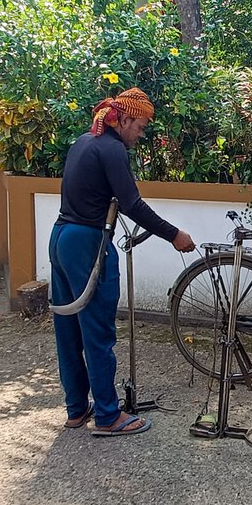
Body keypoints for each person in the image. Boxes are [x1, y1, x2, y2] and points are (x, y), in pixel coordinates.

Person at [49, 87, 195, 437]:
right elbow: (132, 205)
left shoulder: (84, 142)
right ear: (125, 118)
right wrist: (174, 234)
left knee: (68, 331)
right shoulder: (112, 149)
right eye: (140, 126)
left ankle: (75, 410)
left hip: (60, 237)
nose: (141, 134)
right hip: (87, 242)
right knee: (98, 332)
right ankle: (108, 416)